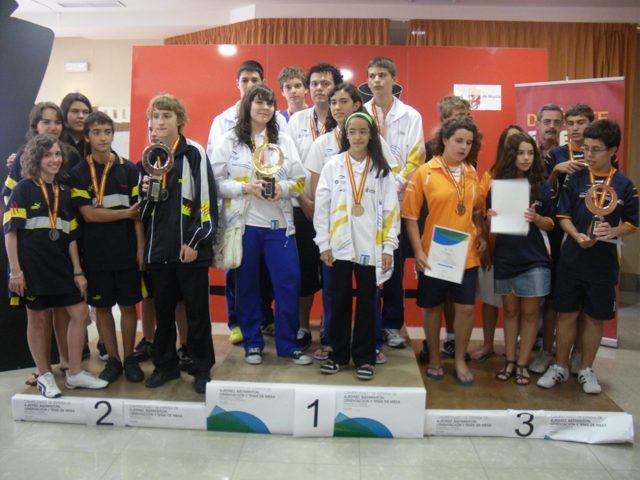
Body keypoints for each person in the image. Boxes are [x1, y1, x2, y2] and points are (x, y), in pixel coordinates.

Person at [212, 84, 312, 366]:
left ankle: (288, 344)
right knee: (247, 286)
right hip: (245, 226)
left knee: (288, 283)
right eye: (259, 102)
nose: (265, 108)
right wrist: (245, 188)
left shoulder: (283, 140)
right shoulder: (230, 140)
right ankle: (253, 343)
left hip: (279, 225)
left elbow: (300, 180)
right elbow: (215, 183)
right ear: (247, 105)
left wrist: (283, 187)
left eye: (270, 103)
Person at [538, 119, 638, 394]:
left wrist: (614, 230)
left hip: (603, 262)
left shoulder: (624, 185)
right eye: (586, 149)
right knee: (566, 313)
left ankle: (586, 369)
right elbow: (563, 216)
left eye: (596, 150)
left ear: (613, 150)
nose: (589, 155)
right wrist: (577, 234)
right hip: (572, 257)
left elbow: (633, 222)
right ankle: (559, 366)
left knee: (595, 317)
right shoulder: (575, 178)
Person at [4, 133, 108, 397]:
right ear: (36, 158)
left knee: (79, 313)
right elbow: (10, 233)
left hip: (62, 267)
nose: (54, 160)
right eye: (48, 155)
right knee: (38, 319)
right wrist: (15, 271)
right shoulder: (23, 189)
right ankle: (44, 375)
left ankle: (74, 373)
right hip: (32, 268)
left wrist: (77, 271)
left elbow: (71, 236)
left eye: (57, 154)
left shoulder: (63, 191)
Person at [306, 83, 397, 362]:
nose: (357, 136)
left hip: (370, 245)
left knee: (369, 302)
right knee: (340, 300)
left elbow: (391, 209)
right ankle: (338, 355)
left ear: (372, 136)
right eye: (352, 131)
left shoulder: (381, 169)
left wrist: (388, 247)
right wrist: (323, 243)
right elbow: (321, 209)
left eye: (363, 131)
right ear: (345, 135)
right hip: (339, 246)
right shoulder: (334, 165)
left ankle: (365, 356)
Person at [139, 94, 217, 394]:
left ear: (179, 120)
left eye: (166, 116)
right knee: (163, 313)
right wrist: (146, 192)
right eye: (155, 116)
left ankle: (201, 367)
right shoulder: (148, 158)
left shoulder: (194, 153)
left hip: (190, 250)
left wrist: (196, 241)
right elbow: (143, 213)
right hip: (159, 251)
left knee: (197, 313)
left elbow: (207, 201)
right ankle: (166, 366)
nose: (160, 122)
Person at [402, 116, 485, 385]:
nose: (464, 147)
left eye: (469, 142)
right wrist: (419, 252)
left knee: (465, 309)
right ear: (445, 140)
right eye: (459, 140)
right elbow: (411, 217)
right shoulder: (425, 173)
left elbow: (475, 210)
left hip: (466, 254)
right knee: (433, 308)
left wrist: (480, 232)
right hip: (434, 253)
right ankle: (435, 358)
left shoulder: (472, 173)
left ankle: (460, 359)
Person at [206, 59, 284, 345]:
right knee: (236, 267)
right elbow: (215, 171)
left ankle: (265, 318)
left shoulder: (277, 120)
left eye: (256, 81)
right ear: (237, 84)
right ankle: (236, 321)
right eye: (246, 80)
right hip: (237, 207)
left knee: (264, 271)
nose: (250, 85)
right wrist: (242, 188)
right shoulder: (222, 121)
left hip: (268, 209)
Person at [69, 111, 145, 383]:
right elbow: (88, 215)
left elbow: (139, 216)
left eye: (107, 132)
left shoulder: (130, 168)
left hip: (126, 251)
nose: (103, 138)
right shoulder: (78, 173)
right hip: (95, 253)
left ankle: (129, 358)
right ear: (87, 137)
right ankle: (112, 360)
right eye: (97, 133)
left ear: (113, 135)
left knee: (127, 307)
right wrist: (124, 214)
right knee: (102, 308)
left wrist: (140, 248)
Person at [364, 56, 425, 350]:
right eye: (373, 76)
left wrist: (395, 183)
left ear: (393, 79)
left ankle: (391, 325)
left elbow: (417, 155)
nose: (377, 80)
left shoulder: (411, 115)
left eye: (383, 75)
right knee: (367, 265)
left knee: (394, 266)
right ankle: (368, 322)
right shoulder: (361, 114)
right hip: (367, 201)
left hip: (398, 202)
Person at [487, 133, 554, 385]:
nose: (526, 158)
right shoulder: (498, 185)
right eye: (521, 153)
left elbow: (551, 224)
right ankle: (510, 361)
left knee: (530, 314)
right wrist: (490, 215)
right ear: (511, 155)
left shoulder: (542, 186)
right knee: (510, 312)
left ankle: (523, 363)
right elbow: (490, 222)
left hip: (534, 259)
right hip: (505, 257)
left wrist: (537, 219)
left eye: (530, 153)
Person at [531, 103, 593, 374]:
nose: (577, 127)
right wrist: (557, 171)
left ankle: (577, 354)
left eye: (582, 123)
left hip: (589, 232)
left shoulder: (599, 154)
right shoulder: (554, 154)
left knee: (583, 298)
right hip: (558, 232)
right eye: (573, 123)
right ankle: (546, 351)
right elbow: (544, 193)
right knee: (556, 295)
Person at [287, 63, 344, 350]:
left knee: (334, 272)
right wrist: (304, 200)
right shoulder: (296, 122)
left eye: (326, 83)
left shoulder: (344, 122)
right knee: (306, 272)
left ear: (336, 87)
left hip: (337, 213)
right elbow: (289, 166)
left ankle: (330, 326)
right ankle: (301, 326)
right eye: (315, 83)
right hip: (302, 208)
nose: (320, 88)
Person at [422, 95, 471, 360]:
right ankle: (431, 345)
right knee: (434, 296)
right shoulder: (431, 148)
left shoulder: (471, 148)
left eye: (466, 114)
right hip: (436, 230)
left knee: (457, 294)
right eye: (455, 115)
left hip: (461, 229)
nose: (461, 119)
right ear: (443, 121)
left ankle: (452, 338)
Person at [471, 124, 523, 361]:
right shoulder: (490, 175)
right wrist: (483, 241)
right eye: (509, 143)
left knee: (520, 304)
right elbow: (479, 212)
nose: (513, 148)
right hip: (494, 246)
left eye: (518, 143)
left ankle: (516, 349)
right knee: (490, 300)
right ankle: (488, 344)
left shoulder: (530, 177)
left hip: (521, 250)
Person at [60, 92, 93, 158]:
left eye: (85, 112)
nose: (81, 116)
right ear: (64, 114)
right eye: (75, 111)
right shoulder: (57, 142)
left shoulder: (96, 142)